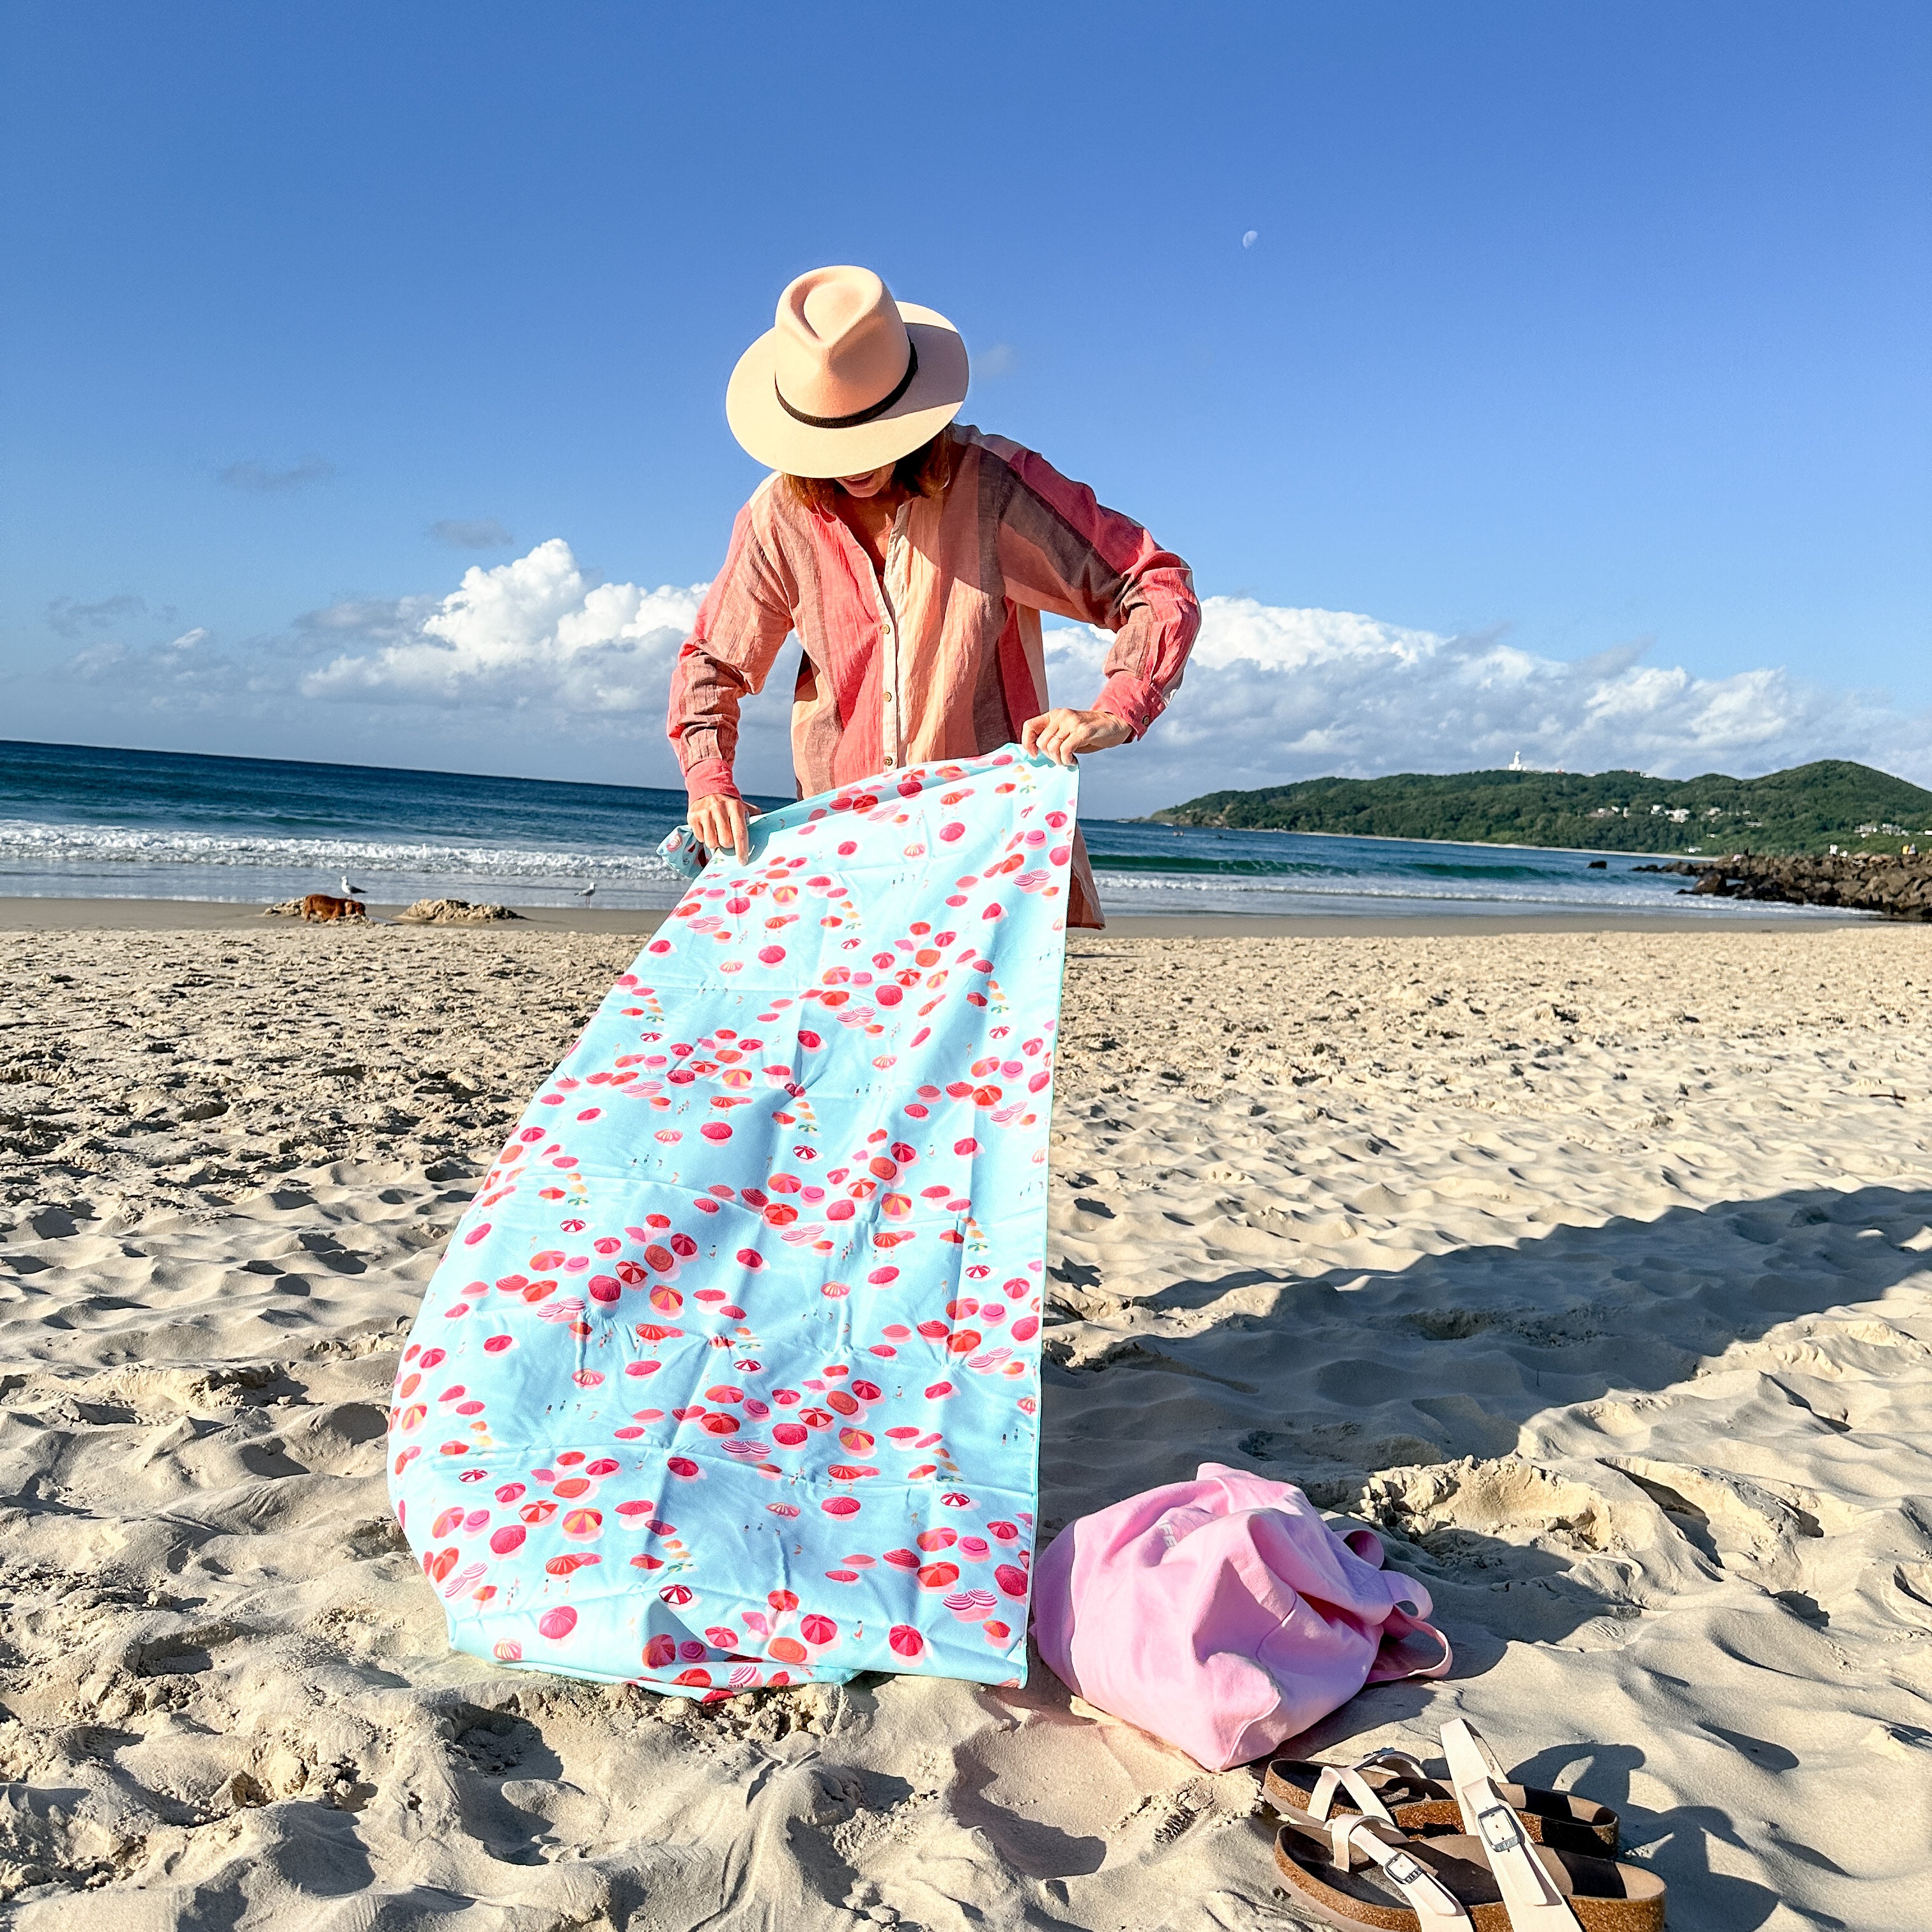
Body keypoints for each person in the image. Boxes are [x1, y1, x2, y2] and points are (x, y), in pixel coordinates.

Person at [666, 264, 1200, 928]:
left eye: (870, 431)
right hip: (842, 853)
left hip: (987, 850)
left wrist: (1119, 707)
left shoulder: (994, 486)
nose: (853, 461)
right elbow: (711, 663)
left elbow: (1154, 583)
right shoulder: (777, 517)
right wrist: (710, 781)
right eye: (833, 439)